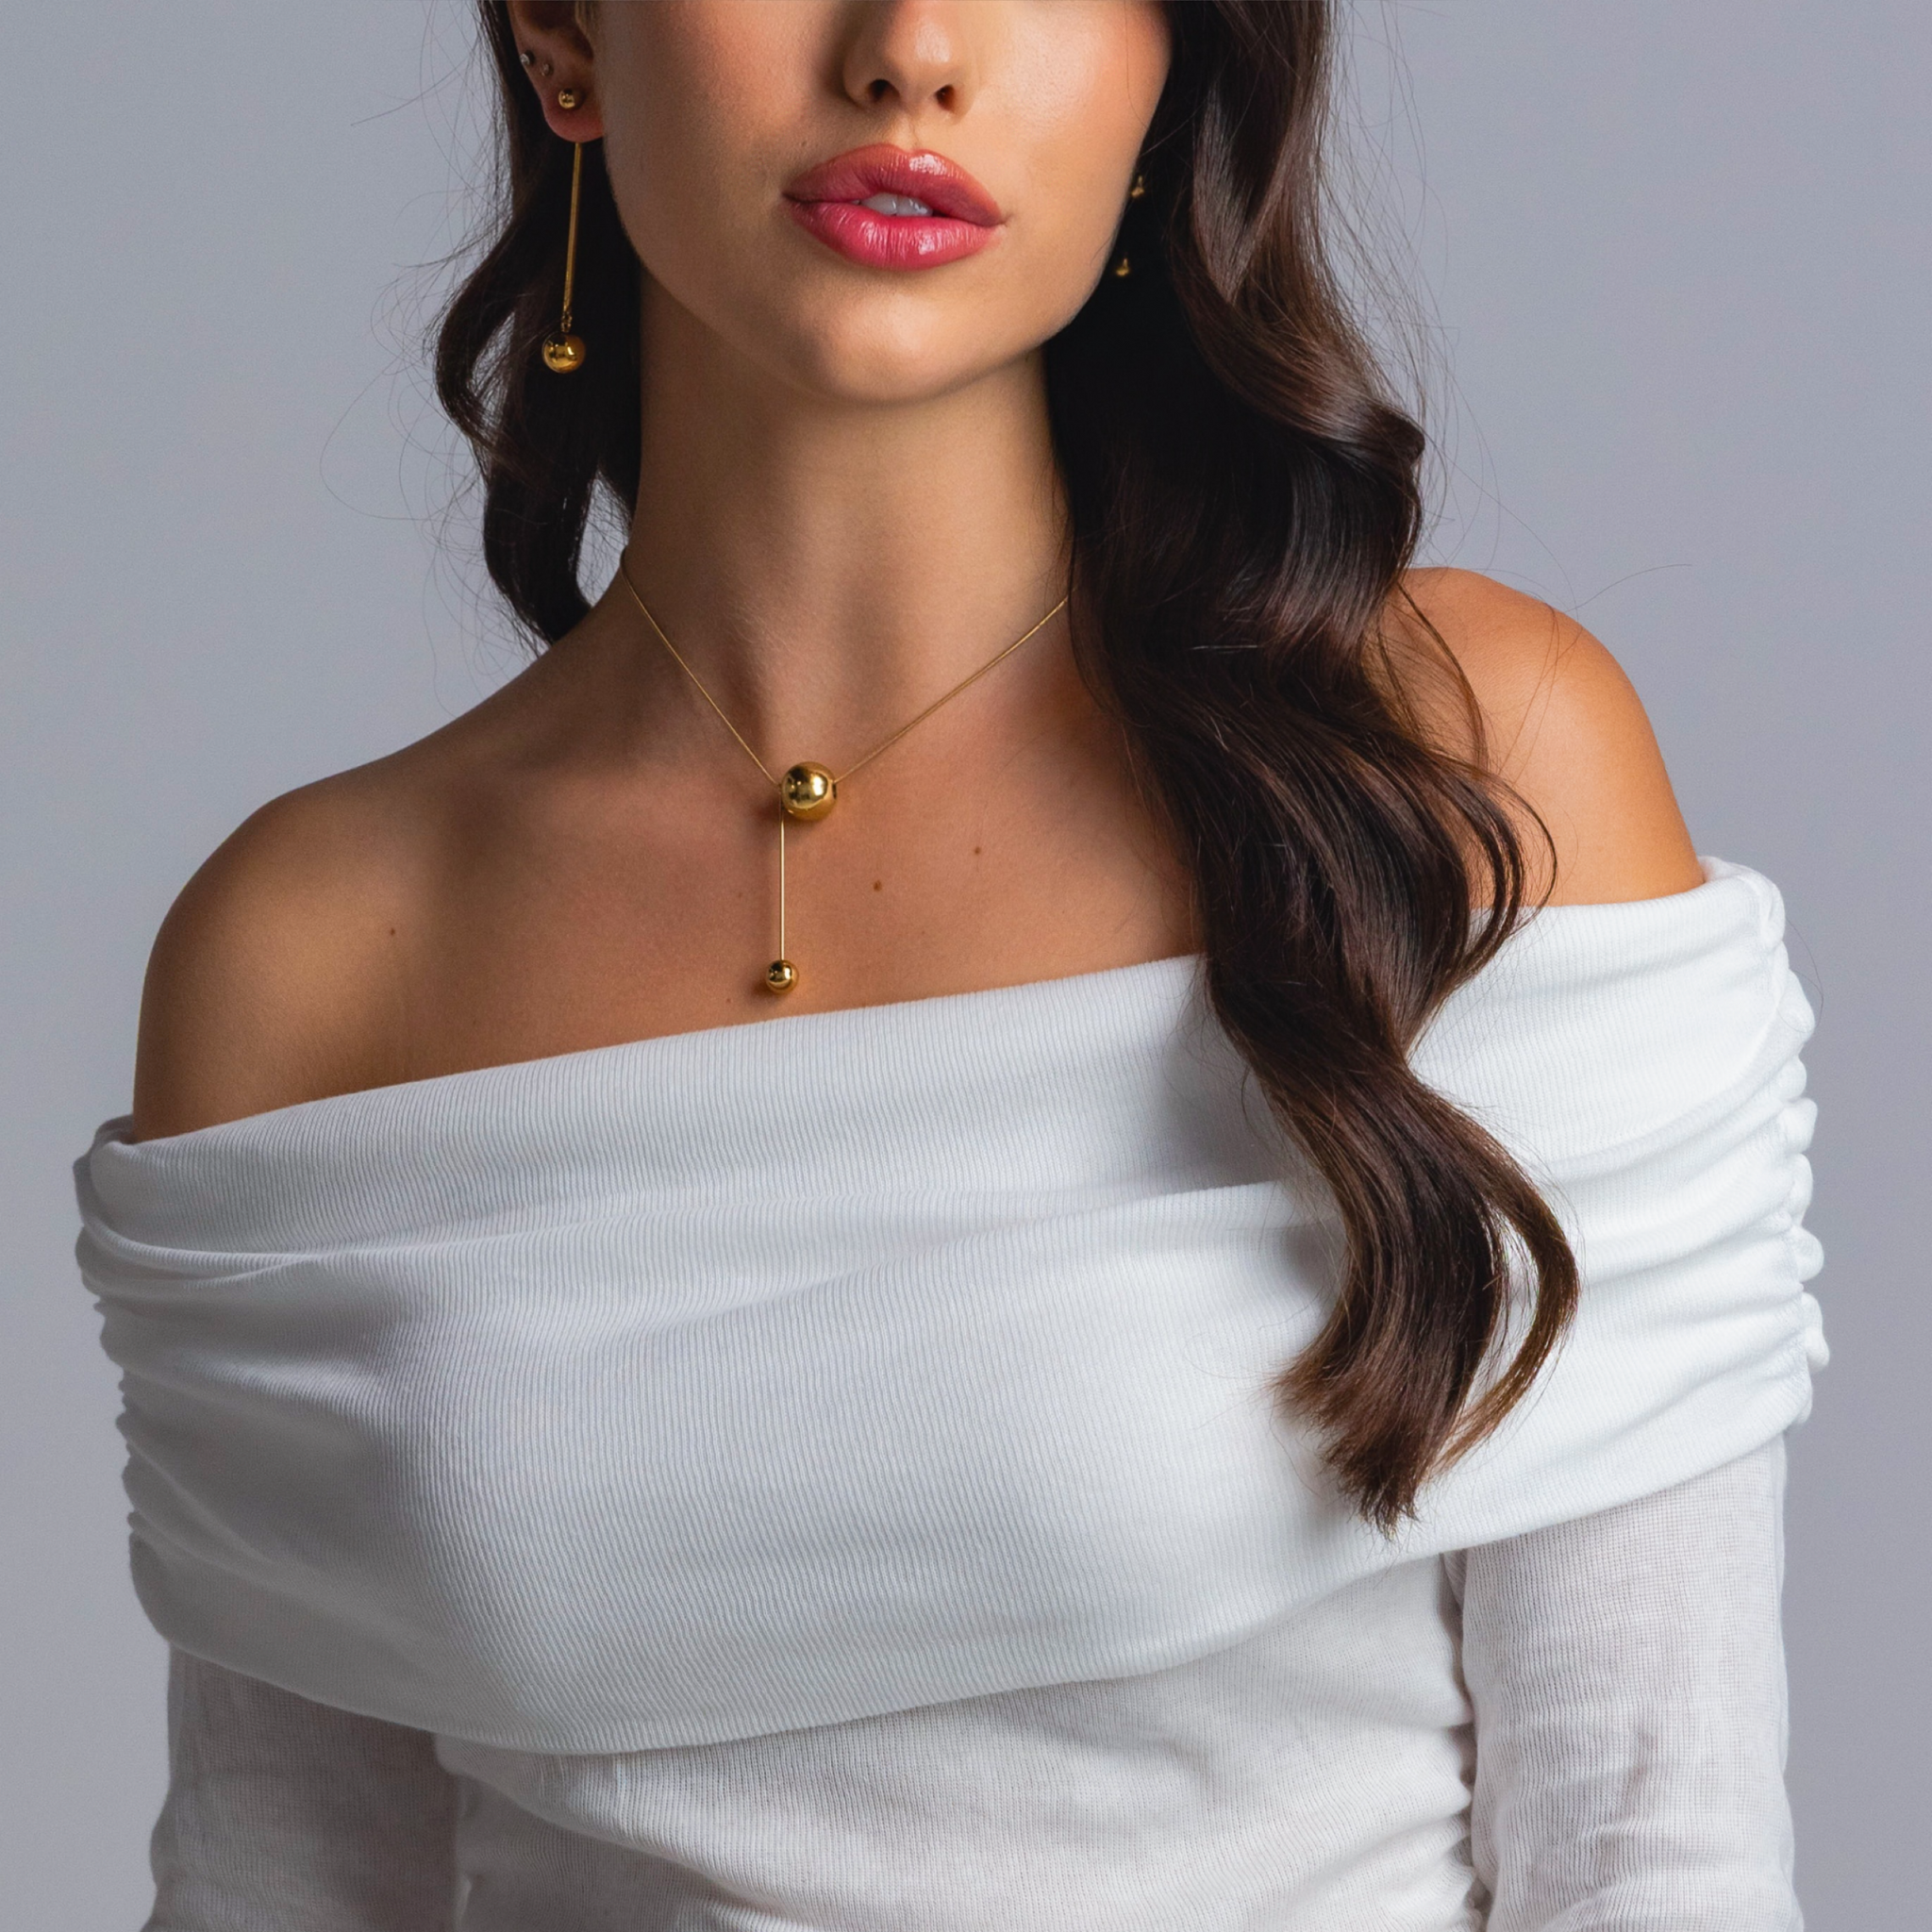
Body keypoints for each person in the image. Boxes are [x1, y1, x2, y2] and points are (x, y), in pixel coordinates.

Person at [75, 4, 1823, 1926]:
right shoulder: (312, 952)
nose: (910, 48)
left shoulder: (1465, 781)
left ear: (1173, 80)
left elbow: (1652, 1848)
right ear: (566, 36)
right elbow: (280, 1881)